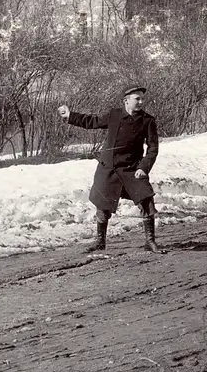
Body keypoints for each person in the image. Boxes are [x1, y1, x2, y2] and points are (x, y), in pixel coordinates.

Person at [58, 85, 163, 254]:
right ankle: (100, 242)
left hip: (132, 169)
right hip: (108, 169)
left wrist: (144, 168)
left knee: (146, 199)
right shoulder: (114, 115)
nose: (141, 102)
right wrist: (70, 116)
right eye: (137, 99)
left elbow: (153, 148)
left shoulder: (148, 121)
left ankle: (150, 241)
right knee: (103, 204)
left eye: (142, 99)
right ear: (126, 100)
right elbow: (92, 121)